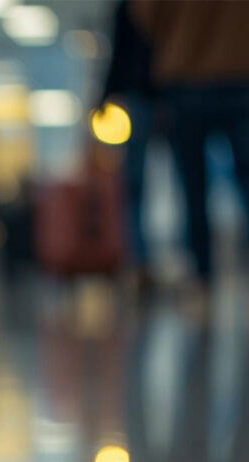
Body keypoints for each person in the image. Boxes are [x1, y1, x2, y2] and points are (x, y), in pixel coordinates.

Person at [132, 0, 249, 293]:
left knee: (193, 185)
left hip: (185, 77)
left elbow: (143, 14)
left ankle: (201, 272)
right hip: (246, 72)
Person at [100, 0, 157, 294]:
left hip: (140, 96)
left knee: (134, 186)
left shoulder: (129, 7)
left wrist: (105, 95)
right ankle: (147, 263)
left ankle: (141, 263)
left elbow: (118, 53)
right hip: (173, 90)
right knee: (187, 182)